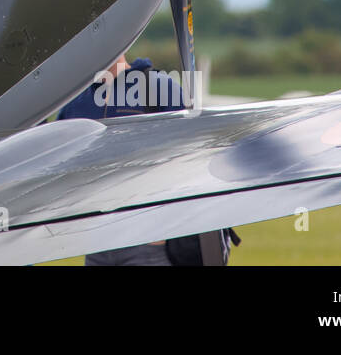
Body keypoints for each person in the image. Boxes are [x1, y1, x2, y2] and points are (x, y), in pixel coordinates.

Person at [59, 53, 238, 266]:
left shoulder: (158, 87)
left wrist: (164, 232)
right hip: (98, 244)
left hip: (149, 241)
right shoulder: (76, 104)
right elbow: (63, 173)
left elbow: (193, 158)